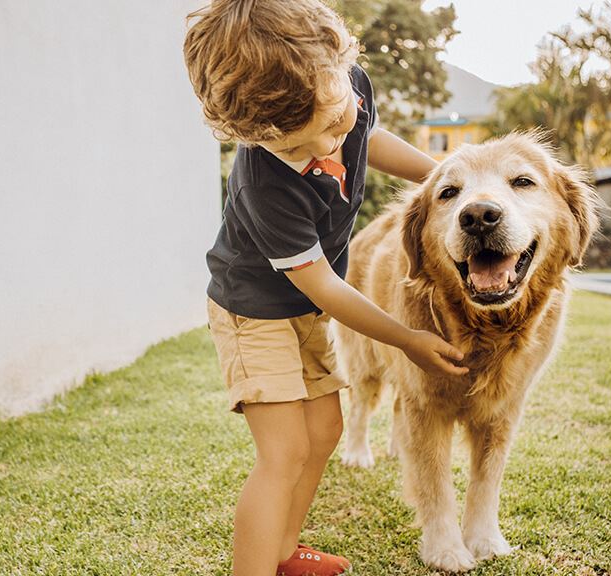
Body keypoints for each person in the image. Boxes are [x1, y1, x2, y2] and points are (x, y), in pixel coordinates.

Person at [183, 1, 469, 574]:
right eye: (294, 148)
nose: (322, 153)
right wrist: (406, 338)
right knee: (284, 451)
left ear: (342, 63)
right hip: (254, 310)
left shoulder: (348, 89)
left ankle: (284, 552)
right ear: (255, 137)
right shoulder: (267, 184)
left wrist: (446, 175)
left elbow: (368, 137)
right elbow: (327, 291)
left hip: (302, 308)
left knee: (326, 428)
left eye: (333, 125)